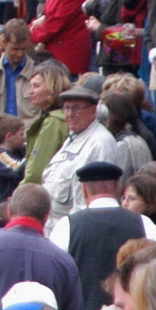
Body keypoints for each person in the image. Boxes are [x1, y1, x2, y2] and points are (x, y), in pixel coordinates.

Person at [48, 160, 156, 310]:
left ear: (84, 189)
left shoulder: (66, 226)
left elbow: (56, 277)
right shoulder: (145, 224)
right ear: (118, 188)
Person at [37, 82, 117, 226]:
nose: (69, 114)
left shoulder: (99, 143)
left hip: (72, 228)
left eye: (76, 109)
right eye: (66, 108)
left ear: (93, 111)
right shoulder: (74, 137)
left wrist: (73, 232)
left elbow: (91, 200)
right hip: (54, 226)